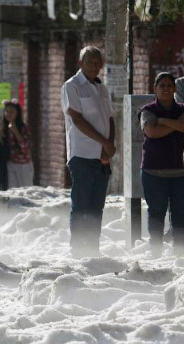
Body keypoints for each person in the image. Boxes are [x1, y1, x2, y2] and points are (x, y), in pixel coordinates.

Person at [62, 46, 115, 256]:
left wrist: (108, 146)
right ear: (80, 63)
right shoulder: (72, 86)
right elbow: (77, 119)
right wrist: (103, 142)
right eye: (90, 62)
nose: (94, 66)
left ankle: (93, 249)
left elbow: (110, 119)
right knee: (81, 204)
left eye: (97, 62)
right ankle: (78, 250)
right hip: (82, 154)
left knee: (96, 207)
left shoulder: (101, 88)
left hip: (102, 157)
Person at [139, 72, 184, 255]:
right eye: (162, 86)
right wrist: (175, 125)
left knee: (180, 213)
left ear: (175, 88)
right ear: (155, 88)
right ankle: (156, 251)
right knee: (156, 212)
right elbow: (151, 132)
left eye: (170, 86)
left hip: (181, 172)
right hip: (154, 172)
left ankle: (180, 252)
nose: (166, 89)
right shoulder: (147, 110)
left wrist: (163, 121)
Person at [0, 101, 34, 189]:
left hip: (23, 165)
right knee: (12, 192)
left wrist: (16, 132)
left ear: (17, 113)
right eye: (6, 111)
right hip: (10, 164)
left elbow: (26, 148)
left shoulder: (23, 128)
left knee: (25, 192)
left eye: (11, 112)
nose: (8, 114)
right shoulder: (4, 127)